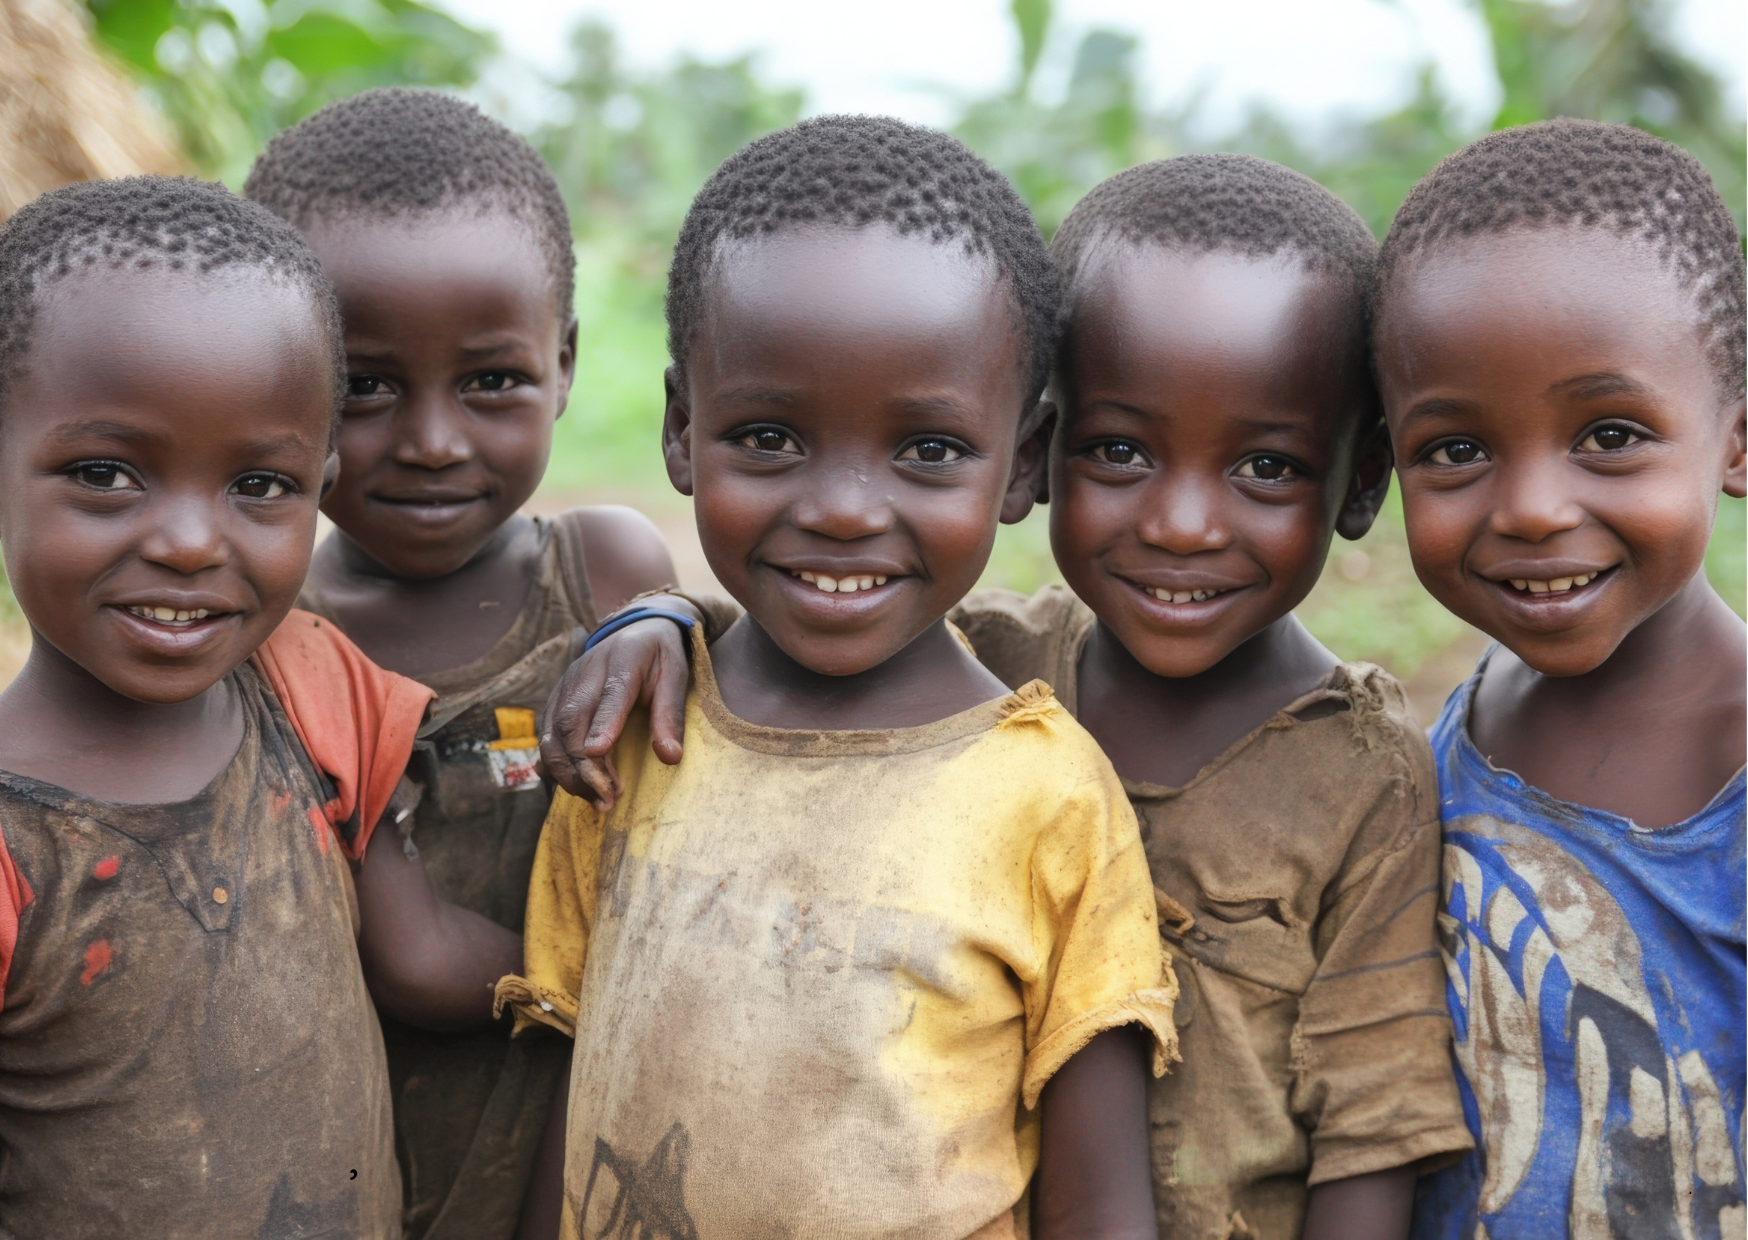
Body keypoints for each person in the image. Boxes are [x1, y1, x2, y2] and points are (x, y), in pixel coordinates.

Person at [540, 153, 1476, 1240]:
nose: (1180, 523)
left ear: (1359, 482)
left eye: (1263, 468)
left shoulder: (1362, 773)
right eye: (1118, 449)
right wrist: (660, 618)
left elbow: (1373, 1127)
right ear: (1042, 456)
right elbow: (792, 661)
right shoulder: (989, 659)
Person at [496, 115, 1177, 1240]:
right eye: (768, 437)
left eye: (926, 450)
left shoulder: (1046, 796)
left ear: (1020, 467)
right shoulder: (636, 731)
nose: (845, 509)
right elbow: (574, 1094)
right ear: (680, 428)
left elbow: (1101, 1201)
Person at [0, 175, 518, 1237]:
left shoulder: (310, 686)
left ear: (320, 482)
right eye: (105, 473)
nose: (192, 541)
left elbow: (416, 957)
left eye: (259, 486)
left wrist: (620, 959)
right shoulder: (16, 851)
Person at [243, 88, 679, 1240]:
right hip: (372, 1166)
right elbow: (418, 968)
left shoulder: (605, 575)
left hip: (595, 1154)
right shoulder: (262, 634)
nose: (434, 441)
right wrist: (654, 973)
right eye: (367, 385)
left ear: (566, 362)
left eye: (491, 381)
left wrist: (669, 621)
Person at [1370, 119, 1747, 1239]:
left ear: (1733, 436)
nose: (1529, 506)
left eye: (1610, 433)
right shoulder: (1439, 747)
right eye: (1451, 449)